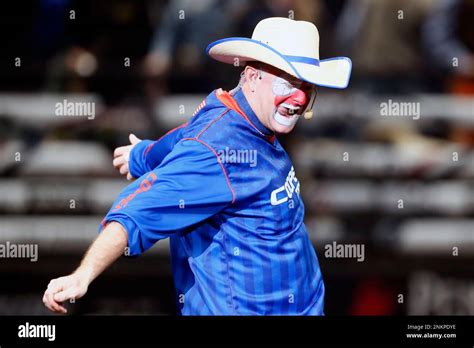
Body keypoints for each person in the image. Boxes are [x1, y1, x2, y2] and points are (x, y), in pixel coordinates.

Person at [43, 17, 351, 315]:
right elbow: (136, 211)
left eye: (307, 86)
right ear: (254, 76)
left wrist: (142, 155)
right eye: (289, 83)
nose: (299, 98)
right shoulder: (219, 149)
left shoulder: (233, 113)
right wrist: (83, 274)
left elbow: (183, 135)